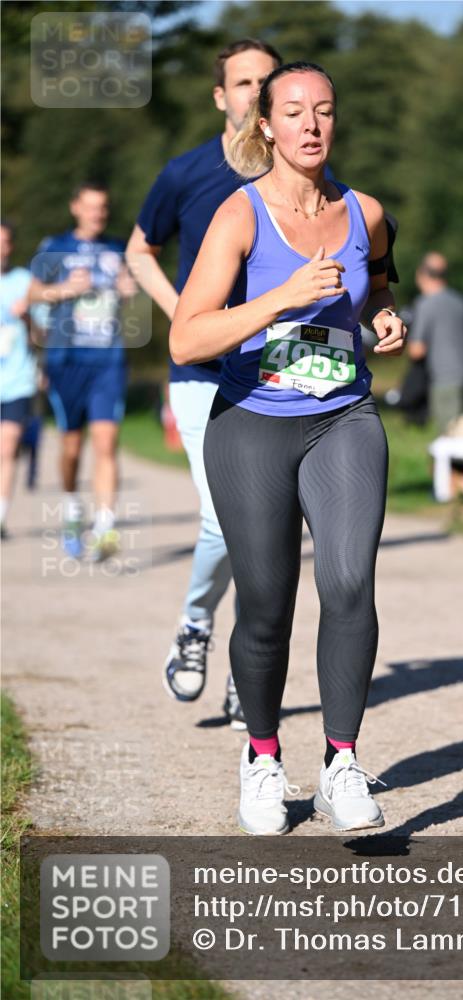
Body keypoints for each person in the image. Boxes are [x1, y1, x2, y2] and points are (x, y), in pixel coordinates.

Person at [170, 61, 406, 836]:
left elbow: (376, 280)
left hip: (342, 418)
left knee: (347, 582)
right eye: (294, 111)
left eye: (325, 111)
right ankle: (262, 759)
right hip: (251, 424)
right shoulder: (239, 216)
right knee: (266, 605)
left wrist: (383, 317)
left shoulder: (363, 211)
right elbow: (188, 333)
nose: (311, 124)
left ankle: (341, 764)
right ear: (265, 125)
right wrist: (280, 297)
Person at [127, 39, 282, 720]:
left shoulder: (299, 176)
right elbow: (139, 251)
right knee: (224, 517)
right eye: (243, 82)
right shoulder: (186, 172)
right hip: (199, 372)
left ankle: (249, 664)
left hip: (278, 372)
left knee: (268, 525)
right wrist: (185, 314)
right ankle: (195, 626)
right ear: (222, 97)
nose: (255, 91)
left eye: (267, 82)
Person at [28, 183, 136, 560]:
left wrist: (128, 288)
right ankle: (73, 507)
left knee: (107, 442)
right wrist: (63, 290)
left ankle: (105, 528)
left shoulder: (118, 249)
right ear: (76, 208)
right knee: (71, 448)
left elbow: (131, 288)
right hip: (65, 360)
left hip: (107, 360)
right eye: (90, 207)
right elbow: (30, 293)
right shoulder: (55, 246)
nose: (97, 214)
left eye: (103, 208)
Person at [407, 251, 463, 435]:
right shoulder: (460, 302)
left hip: (444, 377)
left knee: (449, 436)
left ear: (422, 273)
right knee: (462, 426)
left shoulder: (426, 303)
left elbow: (417, 350)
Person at [0, 221, 38, 539]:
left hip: (16, 381)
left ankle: (0, 517)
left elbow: (42, 335)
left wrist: (26, 317)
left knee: (7, 447)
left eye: (6, 242)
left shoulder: (25, 281)